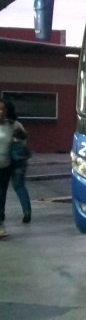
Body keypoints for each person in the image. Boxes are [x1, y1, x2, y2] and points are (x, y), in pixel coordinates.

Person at [0, 98, 31, 238]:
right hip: (11, 163)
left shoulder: (11, 125)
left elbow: (24, 137)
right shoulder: (13, 125)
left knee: (2, 195)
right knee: (18, 187)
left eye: (2, 109)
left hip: (7, 165)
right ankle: (26, 212)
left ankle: (0, 223)